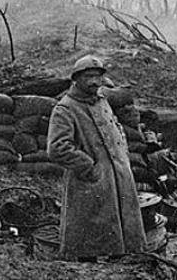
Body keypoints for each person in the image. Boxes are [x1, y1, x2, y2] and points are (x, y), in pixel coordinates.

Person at [47, 56, 146, 261]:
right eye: (88, 76)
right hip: (90, 179)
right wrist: (88, 166)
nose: (94, 81)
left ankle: (120, 257)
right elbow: (57, 147)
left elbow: (116, 127)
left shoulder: (102, 101)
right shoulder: (66, 108)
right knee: (89, 231)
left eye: (97, 76)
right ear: (76, 79)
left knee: (120, 224)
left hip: (116, 174)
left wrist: (123, 158)